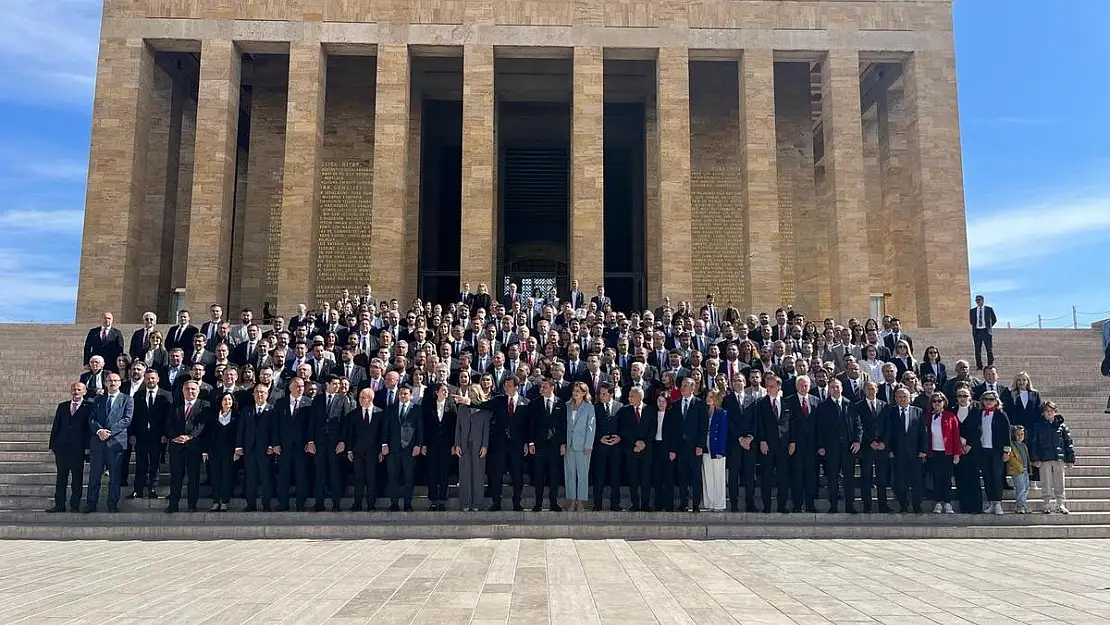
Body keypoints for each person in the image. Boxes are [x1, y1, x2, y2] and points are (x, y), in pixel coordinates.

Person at [84, 373, 133, 513]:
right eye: (109, 380)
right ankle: (91, 503)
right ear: (105, 383)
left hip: (116, 443)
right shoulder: (99, 399)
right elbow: (91, 418)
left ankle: (112, 503)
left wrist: (109, 431)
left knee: (115, 476)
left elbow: (127, 419)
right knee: (94, 475)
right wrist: (99, 431)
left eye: (115, 380)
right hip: (98, 443)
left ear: (120, 382)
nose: (112, 382)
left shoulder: (127, 399)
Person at [816, 379, 861, 514]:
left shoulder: (850, 404)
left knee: (849, 478)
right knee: (832, 478)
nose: (835, 389)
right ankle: (833, 505)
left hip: (848, 448)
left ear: (841, 388)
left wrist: (857, 441)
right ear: (829, 389)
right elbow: (819, 428)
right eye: (832, 387)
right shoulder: (823, 406)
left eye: (837, 386)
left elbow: (858, 425)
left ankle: (850, 505)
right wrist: (821, 446)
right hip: (831, 448)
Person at [310, 375, 352, 512]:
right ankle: (319, 503)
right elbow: (312, 422)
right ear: (327, 384)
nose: (337, 386)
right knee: (320, 473)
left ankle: (336, 503)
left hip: (335, 443)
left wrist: (343, 441)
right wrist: (311, 441)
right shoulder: (317, 399)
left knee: (335, 473)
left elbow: (346, 423)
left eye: (338, 384)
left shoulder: (343, 399)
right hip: (320, 442)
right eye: (334, 383)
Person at [667, 377, 709, 513]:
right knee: (682, 476)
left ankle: (696, 503)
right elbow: (672, 430)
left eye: (686, 385)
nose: (683, 388)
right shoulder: (675, 404)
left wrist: (700, 445)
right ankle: (684, 503)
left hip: (694, 447)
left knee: (696, 476)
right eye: (682, 385)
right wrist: (672, 449)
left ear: (693, 388)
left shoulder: (699, 404)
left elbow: (703, 426)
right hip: (680, 447)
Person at [966, 390, 1012, 515]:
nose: (988, 402)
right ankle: (991, 502)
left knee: (997, 476)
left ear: (996, 401)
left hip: (996, 450)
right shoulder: (979, 414)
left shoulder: (1001, 415)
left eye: (991, 399)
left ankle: (997, 503)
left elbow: (1006, 435)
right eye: (986, 399)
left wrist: (1006, 451)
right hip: (982, 450)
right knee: (987, 477)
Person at [128, 369, 171, 500]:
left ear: (157, 379)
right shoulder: (138, 395)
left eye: (153, 378)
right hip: (141, 435)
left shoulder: (166, 395)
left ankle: (152, 488)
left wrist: (165, 434)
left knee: (155, 463)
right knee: (141, 463)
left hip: (158, 436)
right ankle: (138, 489)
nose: (150, 380)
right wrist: (132, 433)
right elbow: (134, 417)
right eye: (148, 378)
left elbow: (168, 417)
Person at [163, 380, 205, 513]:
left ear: (198, 391)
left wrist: (190, 436)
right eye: (187, 389)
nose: (190, 391)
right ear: (182, 391)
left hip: (194, 447)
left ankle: (192, 505)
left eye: (193, 389)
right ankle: (173, 505)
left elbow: (201, 425)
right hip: (177, 447)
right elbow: (169, 424)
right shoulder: (175, 406)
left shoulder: (203, 405)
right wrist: (175, 437)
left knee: (193, 477)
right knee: (175, 477)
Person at [48, 382, 90, 513]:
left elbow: (89, 429)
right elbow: (56, 426)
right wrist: (53, 445)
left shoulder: (89, 406)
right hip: (62, 448)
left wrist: (88, 447)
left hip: (78, 448)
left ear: (84, 392)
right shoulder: (63, 406)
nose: (76, 391)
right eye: (74, 389)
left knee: (77, 479)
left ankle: (74, 505)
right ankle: (59, 504)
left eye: (79, 389)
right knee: (61, 478)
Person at [345, 387, 388, 511]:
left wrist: (381, 449)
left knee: (371, 478)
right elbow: (350, 433)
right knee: (358, 478)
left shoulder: (379, 413)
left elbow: (382, 433)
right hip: (358, 451)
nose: (361, 399)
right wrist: (349, 450)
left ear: (370, 399)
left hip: (373, 451)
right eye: (360, 397)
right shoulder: (354, 413)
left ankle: (371, 504)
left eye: (363, 397)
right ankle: (357, 504)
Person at [272, 377, 312, 511]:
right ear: (290, 388)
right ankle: (283, 503)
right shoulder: (280, 403)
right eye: (297, 386)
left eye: (302, 386)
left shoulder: (309, 403)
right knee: (284, 475)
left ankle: (300, 504)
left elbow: (310, 426)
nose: (300, 388)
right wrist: (275, 443)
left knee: (301, 475)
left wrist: (309, 441)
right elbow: (275, 425)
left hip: (302, 446)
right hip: (284, 446)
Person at [1029, 401, 1076, 514]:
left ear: (1055, 412)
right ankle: (1047, 503)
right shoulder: (1038, 426)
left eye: (1051, 411)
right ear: (1043, 413)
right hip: (1044, 458)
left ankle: (1060, 504)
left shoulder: (1062, 426)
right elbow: (1034, 443)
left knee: (1060, 482)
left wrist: (1070, 459)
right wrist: (1035, 458)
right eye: (1047, 411)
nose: (1049, 413)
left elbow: (1068, 443)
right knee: (1046, 482)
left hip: (1058, 458)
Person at [755, 375, 792, 513]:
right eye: (767, 386)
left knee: (783, 476)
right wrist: (762, 441)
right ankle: (767, 506)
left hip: (783, 445)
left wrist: (792, 441)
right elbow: (760, 424)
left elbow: (791, 424)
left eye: (772, 386)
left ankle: (782, 505)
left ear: (779, 387)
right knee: (766, 476)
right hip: (767, 445)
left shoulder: (787, 403)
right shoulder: (761, 403)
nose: (768, 388)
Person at [887, 387, 927, 513]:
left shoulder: (918, 411)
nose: (902, 399)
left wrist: (923, 449)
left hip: (915, 452)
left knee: (917, 481)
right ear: (895, 398)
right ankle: (903, 505)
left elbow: (923, 432)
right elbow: (888, 432)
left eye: (905, 397)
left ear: (909, 398)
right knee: (900, 481)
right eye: (899, 397)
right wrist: (889, 449)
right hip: (898, 452)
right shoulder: (890, 411)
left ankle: (917, 506)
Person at [236, 385, 275, 512]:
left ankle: (266, 504)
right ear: (253, 394)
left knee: (266, 477)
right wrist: (239, 446)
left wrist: (271, 445)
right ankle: (251, 504)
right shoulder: (246, 410)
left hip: (265, 450)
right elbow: (240, 430)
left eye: (262, 392)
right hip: (249, 449)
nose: (260, 395)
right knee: (250, 478)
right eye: (257, 392)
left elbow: (274, 430)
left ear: (267, 394)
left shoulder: (272, 409)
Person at [385, 386, 423, 511]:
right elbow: (385, 428)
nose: (402, 396)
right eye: (400, 393)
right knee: (392, 478)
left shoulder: (416, 409)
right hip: (393, 448)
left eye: (405, 394)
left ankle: (407, 503)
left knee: (409, 478)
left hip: (409, 449)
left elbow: (420, 429)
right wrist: (384, 444)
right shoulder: (391, 408)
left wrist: (418, 445)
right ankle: (394, 503)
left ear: (410, 395)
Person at [724, 375, 758, 512]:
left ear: (745, 383)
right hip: (734, 442)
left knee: (750, 474)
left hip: (750, 444)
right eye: (734, 381)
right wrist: (739, 438)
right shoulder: (727, 400)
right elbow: (729, 421)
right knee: (733, 475)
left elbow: (756, 421)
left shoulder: (753, 399)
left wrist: (749, 437)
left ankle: (750, 503)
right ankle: (734, 503)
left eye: (740, 380)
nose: (737, 383)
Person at [856, 380, 891, 513]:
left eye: (873, 388)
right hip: (866, 446)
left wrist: (884, 442)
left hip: (882, 447)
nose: (871, 391)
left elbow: (888, 426)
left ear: (877, 389)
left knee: (882, 477)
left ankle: (883, 505)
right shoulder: (858, 406)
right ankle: (867, 505)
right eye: (868, 389)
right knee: (866, 476)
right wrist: (870, 441)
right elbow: (859, 426)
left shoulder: (884, 405)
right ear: (864, 390)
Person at [924, 393, 961, 514]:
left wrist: (956, 453)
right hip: (933, 452)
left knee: (946, 478)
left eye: (939, 401)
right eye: (934, 401)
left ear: (944, 402)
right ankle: (938, 502)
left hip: (947, 452)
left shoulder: (950, 416)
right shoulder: (928, 416)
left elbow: (955, 435)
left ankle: (948, 502)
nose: (937, 403)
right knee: (936, 478)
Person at [618, 386, 654, 512]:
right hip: (631, 449)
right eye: (629, 396)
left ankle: (645, 503)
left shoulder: (649, 410)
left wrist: (644, 443)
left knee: (646, 478)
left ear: (640, 396)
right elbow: (623, 429)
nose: (629, 398)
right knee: (633, 478)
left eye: (632, 396)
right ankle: (635, 503)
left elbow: (652, 429)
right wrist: (635, 442)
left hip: (646, 450)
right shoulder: (625, 411)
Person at [423, 383, 457, 511]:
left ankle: (442, 499)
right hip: (431, 444)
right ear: (437, 392)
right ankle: (433, 500)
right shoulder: (428, 405)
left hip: (446, 444)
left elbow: (454, 427)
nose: (446, 392)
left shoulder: (452, 406)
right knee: (432, 471)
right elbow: (424, 426)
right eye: (443, 390)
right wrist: (424, 444)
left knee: (444, 472)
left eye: (447, 390)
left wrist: (454, 444)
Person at [453, 394, 490, 512]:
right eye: (470, 392)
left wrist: (485, 445)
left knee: (478, 475)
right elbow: (458, 427)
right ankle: (465, 503)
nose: (472, 394)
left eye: (474, 392)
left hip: (478, 446)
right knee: (464, 475)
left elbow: (486, 429)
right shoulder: (462, 408)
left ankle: (477, 504)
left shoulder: (484, 410)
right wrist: (457, 444)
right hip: (464, 446)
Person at [204, 391, 238, 512]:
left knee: (227, 476)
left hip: (230, 452)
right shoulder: (213, 416)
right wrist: (205, 451)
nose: (227, 402)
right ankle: (215, 501)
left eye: (229, 400)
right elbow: (207, 434)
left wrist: (237, 451)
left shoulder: (236, 416)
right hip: (214, 451)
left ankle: (224, 501)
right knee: (215, 476)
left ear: (233, 402)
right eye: (224, 399)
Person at [561, 381, 592, 512]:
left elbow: (591, 428)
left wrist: (588, 445)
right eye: (574, 391)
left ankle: (581, 501)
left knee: (582, 474)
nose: (575, 393)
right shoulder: (567, 406)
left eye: (578, 391)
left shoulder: (589, 407)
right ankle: (572, 500)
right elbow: (563, 426)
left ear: (584, 393)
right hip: (569, 445)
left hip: (583, 445)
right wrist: (563, 443)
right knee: (570, 473)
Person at [591, 383, 621, 511]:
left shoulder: (620, 407)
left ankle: (615, 504)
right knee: (599, 477)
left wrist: (619, 437)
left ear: (611, 394)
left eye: (604, 393)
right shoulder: (595, 408)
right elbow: (592, 426)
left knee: (615, 476)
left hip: (615, 448)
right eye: (600, 393)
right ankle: (597, 504)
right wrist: (599, 438)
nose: (601, 396)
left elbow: (624, 425)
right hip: (600, 447)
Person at [701, 391, 729, 512]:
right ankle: (709, 503)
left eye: (711, 397)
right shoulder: (704, 412)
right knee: (707, 475)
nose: (708, 398)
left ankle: (719, 504)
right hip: (706, 446)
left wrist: (721, 450)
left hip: (716, 447)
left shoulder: (722, 413)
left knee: (718, 476)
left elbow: (723, 433)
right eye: (707, 396)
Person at [969, 295, 997, 370]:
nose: (977, 302)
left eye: (979, 300)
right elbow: (972, 321)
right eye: (976, 300)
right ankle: (979, 366)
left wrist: (989, 326)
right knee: (977, 350)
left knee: (989, 350)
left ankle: (990, 365)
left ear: (982, 300)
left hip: (986, 331)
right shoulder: (972, 311)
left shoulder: (989, 309)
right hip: (977, 331)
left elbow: (994, 319)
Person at [1008, 425, 1031, 514]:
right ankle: (1019, 505)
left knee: (1026, 488)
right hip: (1017, 470)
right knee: (1020, 488)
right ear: (1014, 435)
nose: (1020, 436)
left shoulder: (1024, 446)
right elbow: (1011, 458)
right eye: (1018, 434)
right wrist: (1019, 467)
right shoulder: (1012, 445)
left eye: (1022, 434)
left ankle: (1023, 504)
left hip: (1025, 470)